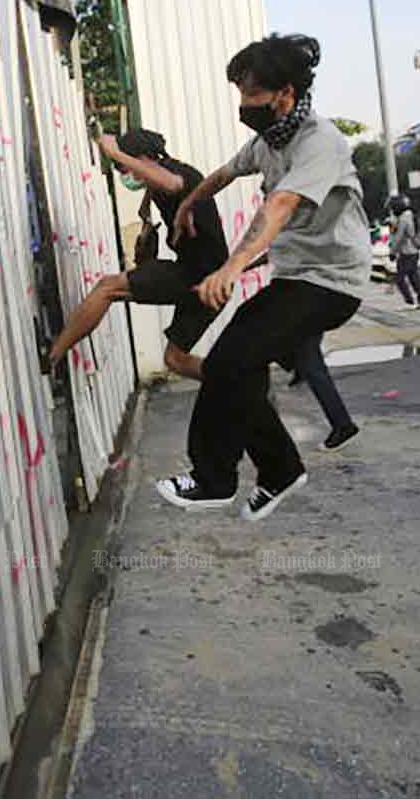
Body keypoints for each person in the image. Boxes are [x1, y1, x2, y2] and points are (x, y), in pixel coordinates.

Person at [154, 33, 371, 520]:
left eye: (252, 94)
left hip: (334, 280)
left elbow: (280, 205)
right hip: (298, 277)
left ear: (284, 93)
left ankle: (214, 479)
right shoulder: (267, 141)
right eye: (240, 93)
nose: (244, 104)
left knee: (232, 358)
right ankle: (279, 471)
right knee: (237, 365)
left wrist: (231, 267)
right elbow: (223, 174)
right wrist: (188, 203)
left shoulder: (320, 142)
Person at [47, 129, 228, 380]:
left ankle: (52, 354)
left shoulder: (178, 174)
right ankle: (237, 384)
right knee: (175, 359)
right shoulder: (157, 185)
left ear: (144, 158)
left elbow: (171, 183)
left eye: (124, 167)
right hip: (207, 279)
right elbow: (147, 257)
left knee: (107, 288)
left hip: (202, 277)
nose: (125, 174)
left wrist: (113, 151)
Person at [389, 194, 420, 309]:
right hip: (415, 251)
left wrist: (392, 252)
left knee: (399, 279)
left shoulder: (403, 218)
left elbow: (398, 237)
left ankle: (409, 302)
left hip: (406, 252)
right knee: (414, 277)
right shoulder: (412, 215)